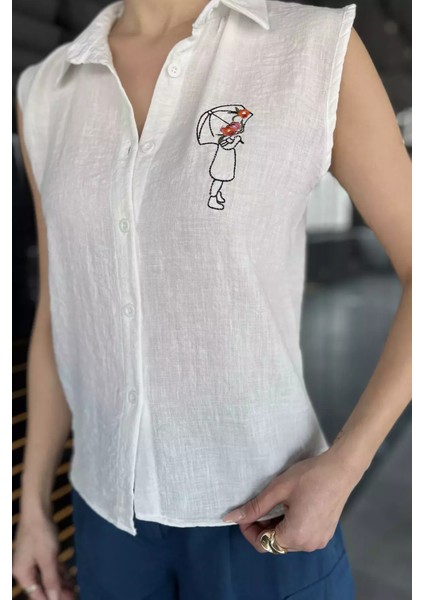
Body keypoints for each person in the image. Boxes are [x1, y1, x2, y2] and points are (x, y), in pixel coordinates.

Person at [12, 0, 412, 599]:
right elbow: (60, 312)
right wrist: (32, 508)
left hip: (263, 516)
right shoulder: (45, 91)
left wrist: (346, 465)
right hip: (107, 521)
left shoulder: (311, 48)